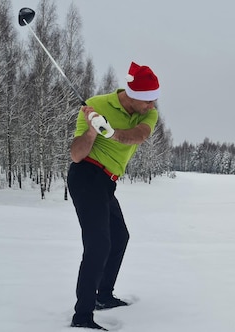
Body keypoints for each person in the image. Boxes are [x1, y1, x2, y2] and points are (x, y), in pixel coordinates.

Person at [67, 62, 160, 330]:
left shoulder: (148, 115)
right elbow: (76, 155)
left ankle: (103, 296)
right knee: (98, 245)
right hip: (86, 176)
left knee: (120, 237)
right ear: (132, 95)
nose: (152, 106)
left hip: (108, 182)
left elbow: (139, 135)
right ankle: (82, 316)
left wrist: (113, 133)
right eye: (148, 101)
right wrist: (93, 130)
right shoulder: (96, 105)